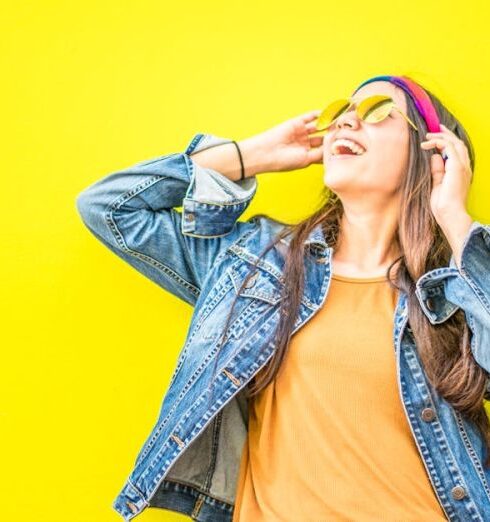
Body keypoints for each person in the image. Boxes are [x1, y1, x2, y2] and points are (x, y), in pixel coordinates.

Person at [76, 74, 490, 521]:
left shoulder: (452, 291)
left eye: (375, 112)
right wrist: (251, 156)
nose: (346, 121)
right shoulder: (256, 263)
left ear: (434, 154)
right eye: (340, 113)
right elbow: (109, 207)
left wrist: (452, 215)